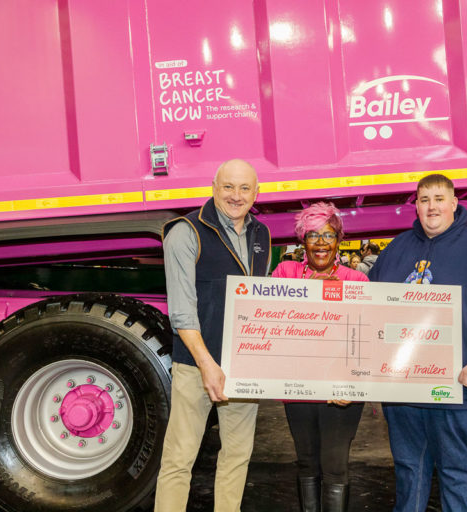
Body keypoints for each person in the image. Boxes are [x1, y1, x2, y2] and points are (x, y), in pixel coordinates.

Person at [368, 174, 467, 511]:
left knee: (456, 472)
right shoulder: (396, 249)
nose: (432, 206)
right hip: (403, 389)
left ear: (454, 203)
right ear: (416, 206)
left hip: (456, 387)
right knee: (409, 471)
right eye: (424, 200)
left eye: (439, 199)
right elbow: (369, 305)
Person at [155, 159, 271, 512]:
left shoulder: (262, 234)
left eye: (245, 188)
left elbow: (258, 302)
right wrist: (207, 365)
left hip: (241, 366)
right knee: (179, 459)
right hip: (196, 365)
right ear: (214, 188)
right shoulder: (185, 232)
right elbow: (182, 312)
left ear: (256, 193)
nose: (236, 196)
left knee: (237, 456)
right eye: (228, 187)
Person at [272, 202, 368, 511]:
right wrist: (306, 293)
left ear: (339, 240)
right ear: (303, 240)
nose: (321, 243)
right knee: (306, 463)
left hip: (341, 390)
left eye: (328, 235)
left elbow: (365, 339)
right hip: (298, 387)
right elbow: (270, 325)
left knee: (335, 466)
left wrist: (352, 382)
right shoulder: (285, 273)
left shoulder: (356, 281)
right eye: (313, 235)